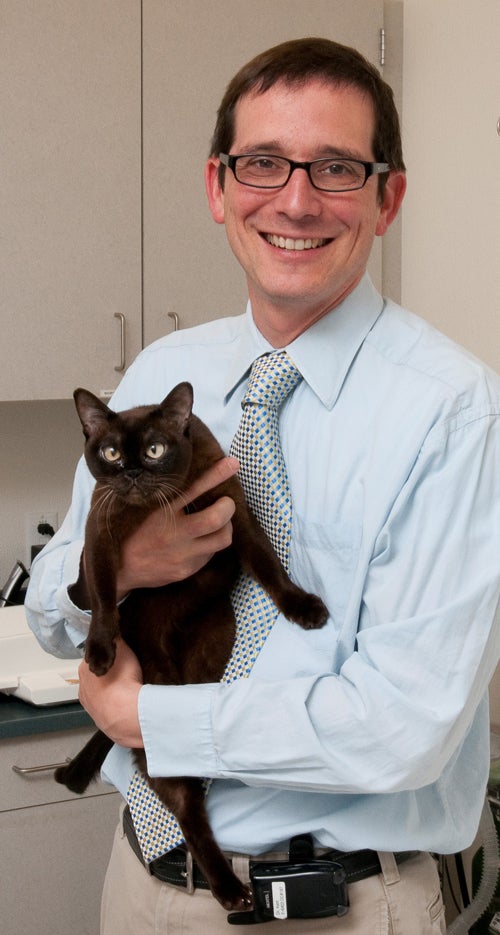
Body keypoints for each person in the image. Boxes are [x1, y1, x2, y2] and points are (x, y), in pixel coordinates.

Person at [26, 37, 500, 934]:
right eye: (263, 163)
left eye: (335, 167)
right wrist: (115, 570)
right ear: (218, 187)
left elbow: (404, 727)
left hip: (342, 909)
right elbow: (54, 612)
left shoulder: (457, 414)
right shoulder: (162, 371)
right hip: (140, 884)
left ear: (387, 196)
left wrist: (150, 717)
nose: (294, 199)